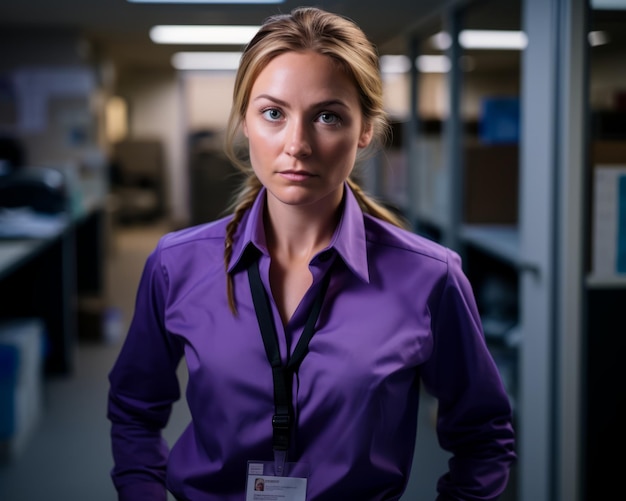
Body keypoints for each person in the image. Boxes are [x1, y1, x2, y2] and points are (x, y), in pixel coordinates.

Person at [107, 6, 516, 501]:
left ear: (364, 130)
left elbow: (483, 437)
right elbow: (134, 408)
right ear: (245, 122)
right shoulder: (176, 265)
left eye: (327, 116)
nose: (296, 144)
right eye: (273, 113)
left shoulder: (429, 277)